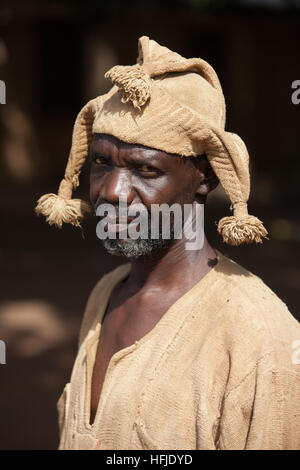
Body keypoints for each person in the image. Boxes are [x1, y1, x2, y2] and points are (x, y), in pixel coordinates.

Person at [35, 36, 300, 450]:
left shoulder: (258, 334)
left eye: (145, 169)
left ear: (205, 178)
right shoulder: (107, 294)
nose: (113, 192)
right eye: (102, 162)